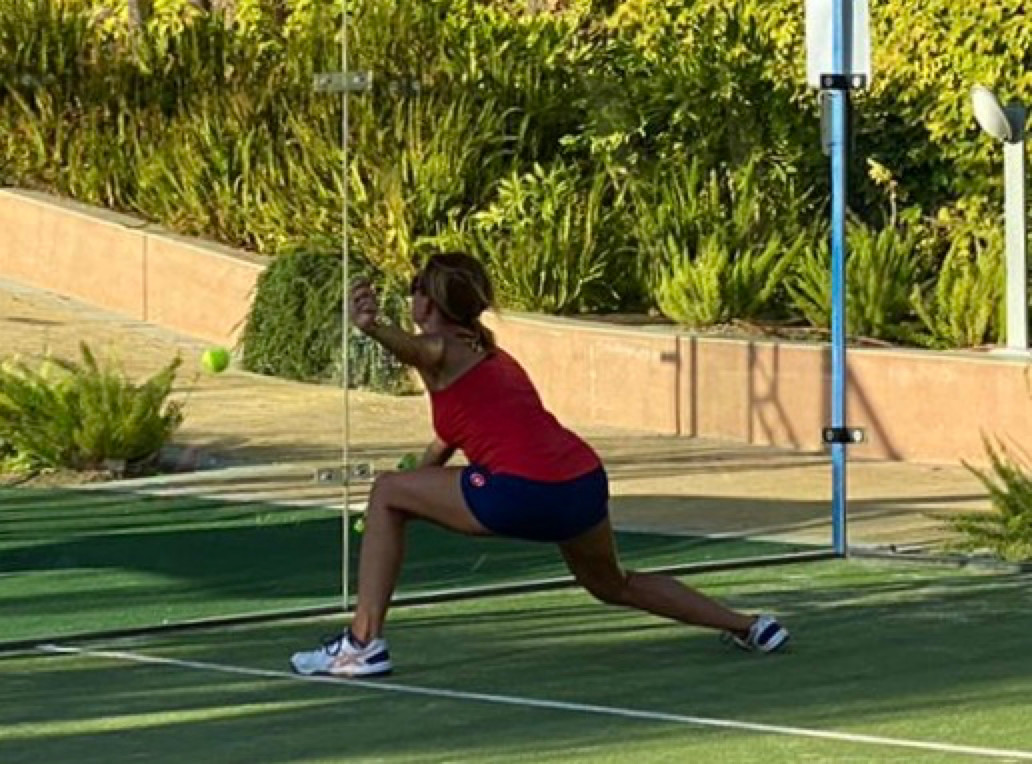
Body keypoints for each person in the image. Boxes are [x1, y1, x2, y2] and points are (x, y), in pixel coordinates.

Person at [290, 252, 788, 678]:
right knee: (611, 584)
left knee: (384, 490)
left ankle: (361, 644)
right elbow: (447, 440)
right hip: (582, 485)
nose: (410, 297)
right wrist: (412, 488)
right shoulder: (491, 357)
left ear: (429, 303)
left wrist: (372, 326)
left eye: (415, 287)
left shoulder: (440, 350)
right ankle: (750, 626)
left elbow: (415, 348)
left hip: (523, 492)